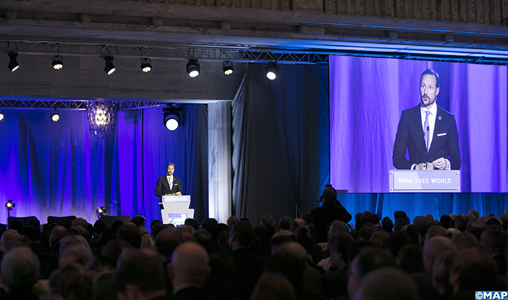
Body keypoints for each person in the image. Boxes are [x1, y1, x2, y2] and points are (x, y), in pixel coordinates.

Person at [393, 69, 461, 170]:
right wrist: (415, 168)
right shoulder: (407, 117)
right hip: (415, 182)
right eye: (423, 86)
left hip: (439, 183)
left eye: (430, 87)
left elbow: (456, 160)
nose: (425, 92)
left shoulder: (448, 120)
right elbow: (397, 158)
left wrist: (446, 164)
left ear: (437, 91)